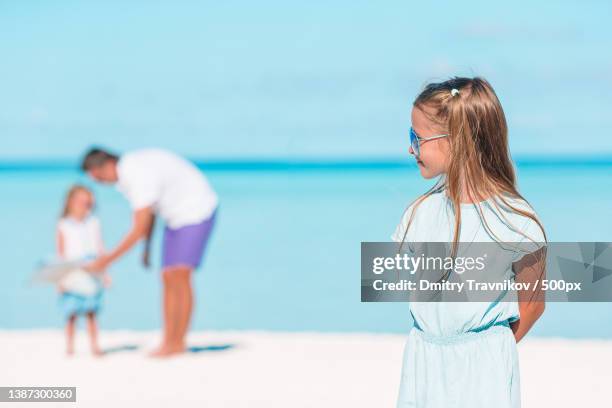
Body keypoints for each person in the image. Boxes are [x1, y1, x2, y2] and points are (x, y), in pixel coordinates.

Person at [392, 77, 546, 407]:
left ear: (456, 141)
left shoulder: (515, 220)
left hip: (484, 370)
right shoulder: (419, 214)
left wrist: (486, 349)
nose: (410, 148)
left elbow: (532, 305)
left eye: (416, 138)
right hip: (423, 366)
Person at [82, 147, 218, 357]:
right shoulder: (130, 172)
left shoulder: (135, 173)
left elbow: (139, 227)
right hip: (174, 217)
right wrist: (147, 248)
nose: (100, 182)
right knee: (167, 276)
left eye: (99, 177)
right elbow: (150, 212)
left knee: (180, 275)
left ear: (108, 164)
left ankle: (177, 343)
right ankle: (171, 341)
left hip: (196, 211)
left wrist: (107, 260)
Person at [56, 184, 109, 356]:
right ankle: (70, 347)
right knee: (71, 312)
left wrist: (105, 272)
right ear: (71, 202)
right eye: (81, 202)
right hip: (72, 270)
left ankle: (94, 346)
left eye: (88, 203)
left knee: (91, 311)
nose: (85, 206)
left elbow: (100, 248)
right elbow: (61, 254)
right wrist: (60, 279)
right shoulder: (63, 224)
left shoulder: (93, 222)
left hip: (92, 269)